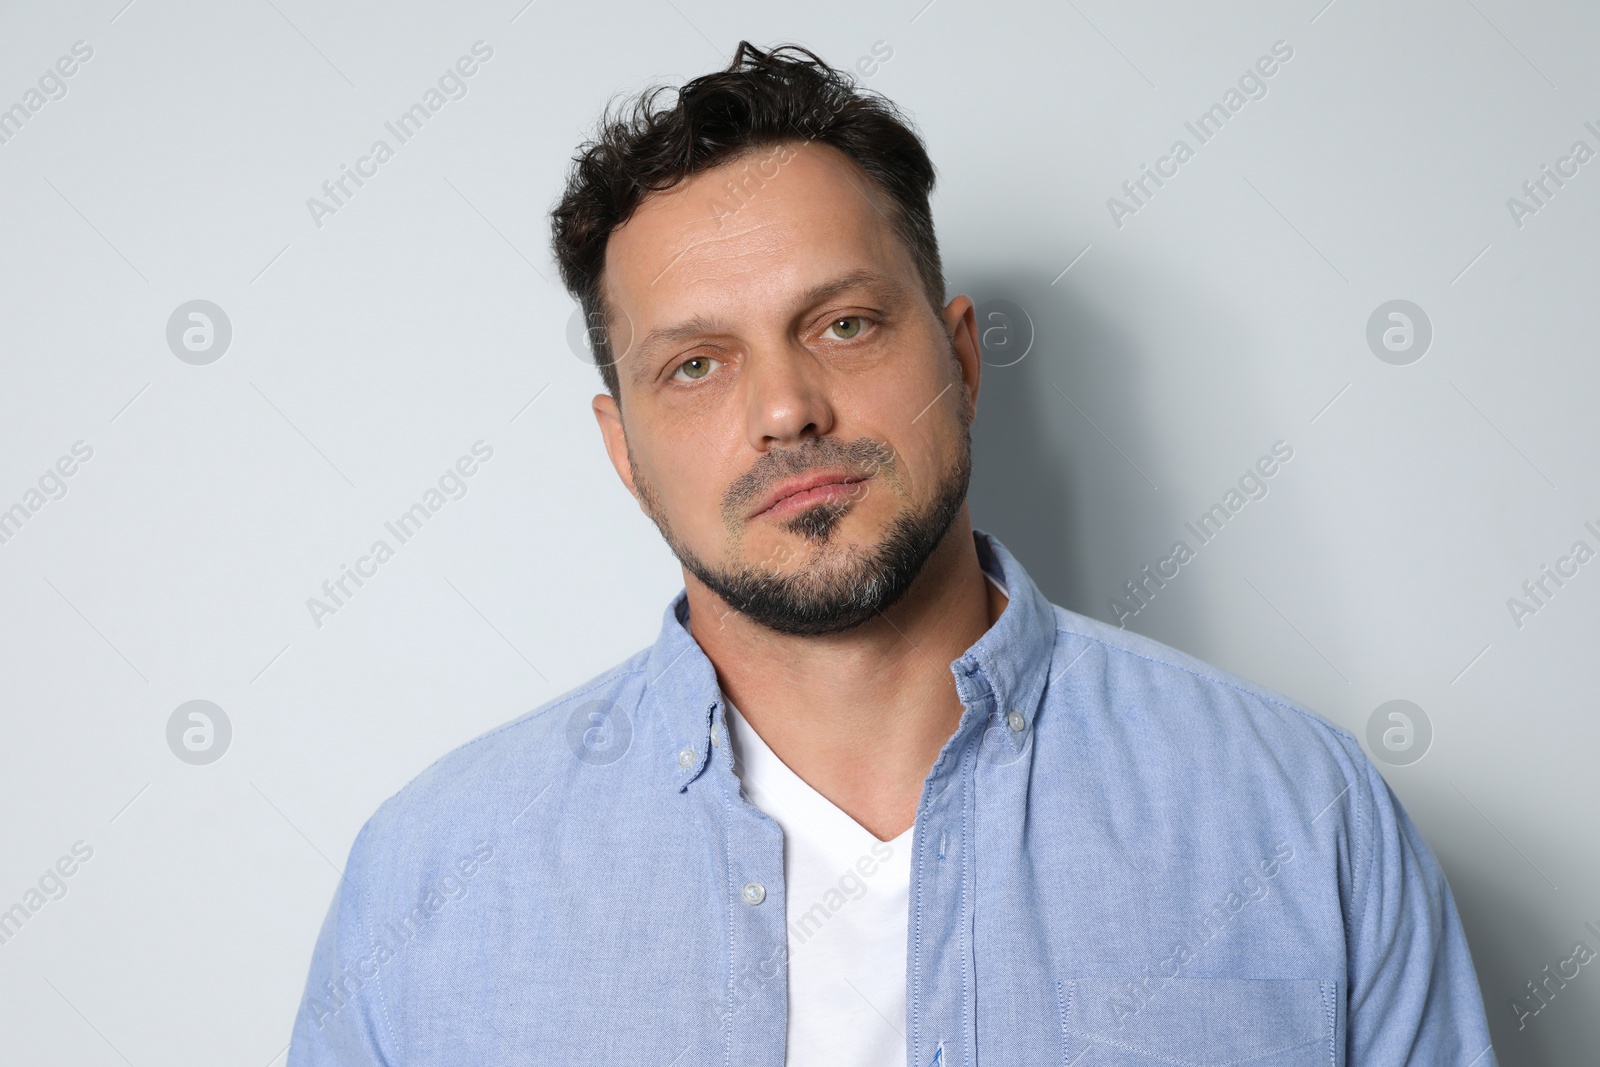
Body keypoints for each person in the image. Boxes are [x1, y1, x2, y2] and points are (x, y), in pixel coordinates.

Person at [287, 41, 1496, 1067]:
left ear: (960, 358)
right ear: (623, 447)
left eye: (844, 322)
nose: (786, 408)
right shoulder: (431, 883)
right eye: (695, 363)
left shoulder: (1300, 816)